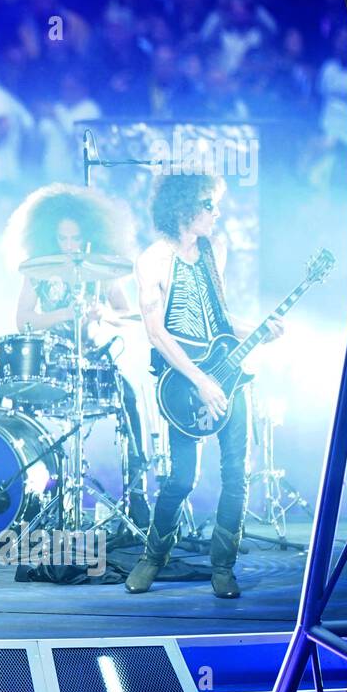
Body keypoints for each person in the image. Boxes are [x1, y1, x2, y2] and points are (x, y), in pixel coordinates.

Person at [128, 173, 282, 598]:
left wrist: (259, 328)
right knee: (181, 478)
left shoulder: (216, 251)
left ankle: (223, 567)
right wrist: (199, 381)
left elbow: (221, 319)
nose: (216, 213)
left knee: (237, 474)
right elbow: (156, 332)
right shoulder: (153, 259)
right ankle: (153, 557)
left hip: (227, 374)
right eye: (209, 205)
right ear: (184, 209)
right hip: (183, 380)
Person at [4, 183, 150, 528]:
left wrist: (104, 314)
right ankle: (28, 497)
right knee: (19, 409)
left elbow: (126, 313)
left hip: (94, 358)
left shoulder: (103, 269)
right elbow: (23, 319)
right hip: (50, 361)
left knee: (129, 402)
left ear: (90, 236)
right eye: (62, 239)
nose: (69, 246)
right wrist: (64, 315)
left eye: (75, 239)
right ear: (49, 237)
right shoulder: (37, 268)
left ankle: (138, 496)